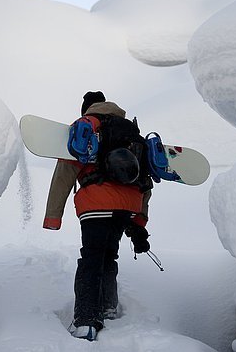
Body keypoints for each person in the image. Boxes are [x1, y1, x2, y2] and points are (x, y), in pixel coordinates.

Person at [43, 91, 152, 341]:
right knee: (108, 255)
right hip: (128, 205)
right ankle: (108, 307)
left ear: (87, 109)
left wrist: (53, 216)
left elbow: (65, 172)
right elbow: (145, 181)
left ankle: (86, 320)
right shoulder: (131, 132)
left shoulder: (86, 127)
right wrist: (138, 223)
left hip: (96, 203)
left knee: (91, 257)